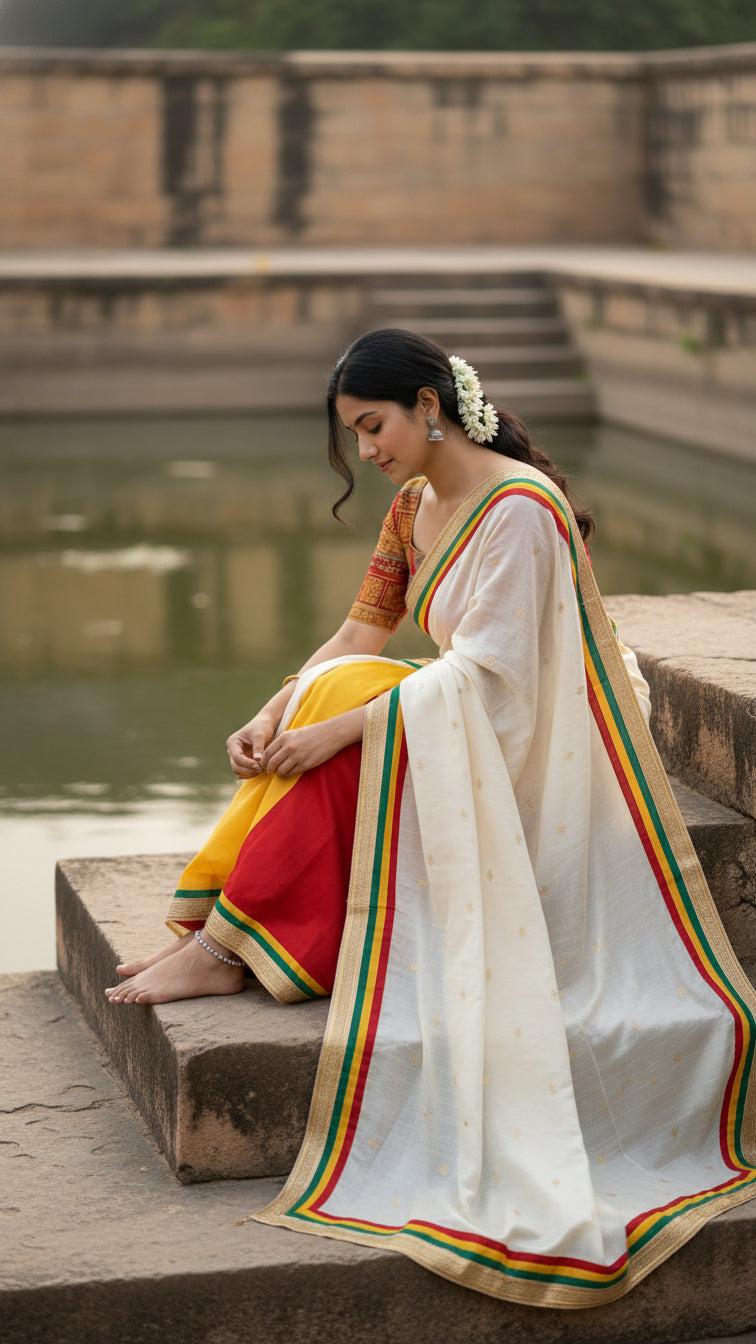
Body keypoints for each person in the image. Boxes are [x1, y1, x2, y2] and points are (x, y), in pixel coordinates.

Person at [106, 329, 756, 1307]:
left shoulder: (521, 509)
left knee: (353, 710)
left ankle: (225, 944)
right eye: (356, 436)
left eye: (373, 427)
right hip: (472, 710)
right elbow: (360, 631)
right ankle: (227, 936)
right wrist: (278, 704)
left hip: (552, 734)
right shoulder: (414, 506)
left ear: (428, 404)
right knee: (340, 690)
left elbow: (496, 679)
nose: (367, 452)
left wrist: (336, 727)